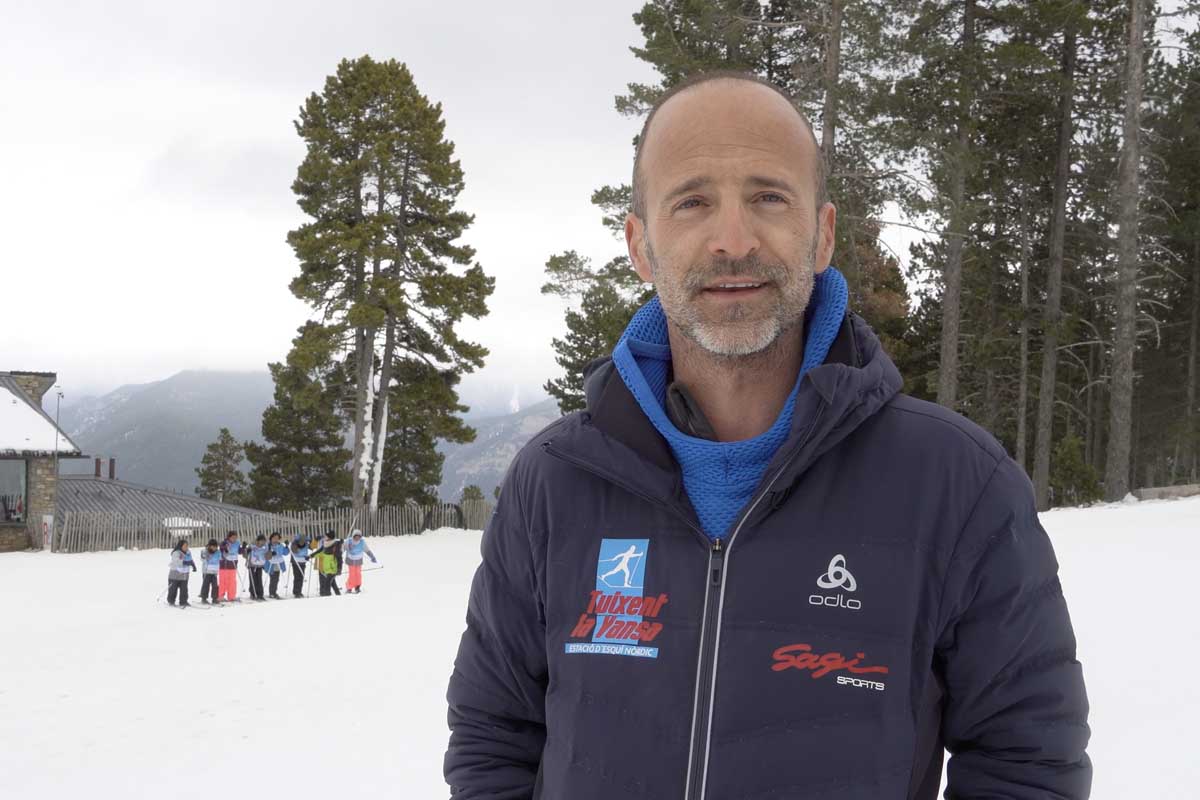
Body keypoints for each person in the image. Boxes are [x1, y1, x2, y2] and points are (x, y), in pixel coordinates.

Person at [444, 72, 1091, 800]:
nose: (732, 240)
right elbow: (493, 736)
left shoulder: (957, 483)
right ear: (640, 245)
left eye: (768, 197)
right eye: (691, 202)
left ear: (821, 235)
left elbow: (1027, 763)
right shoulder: (555, 479)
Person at [309, 530, 342, 597]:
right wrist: (310, 556)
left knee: (327, 584)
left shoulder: (335, 545)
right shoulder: (325, 543)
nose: (325, 537)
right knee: (332, 583)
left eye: (326, 536)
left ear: (330, 537)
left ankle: (327, 597)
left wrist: (339, 568)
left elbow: (339, 558)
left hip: (333, 568)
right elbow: (319, 551)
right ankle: (338, 595)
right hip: (326, 567)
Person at [343, 529, 376, 594]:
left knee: (358, 574)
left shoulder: (362, 542)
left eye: (359, 536)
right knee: (352, 574)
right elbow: (343, 548)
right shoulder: (349, 541)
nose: (357, 538)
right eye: (356, 536)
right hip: (351, 560)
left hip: (358, 560)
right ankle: (349, 588)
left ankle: (357, 587)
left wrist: (372, 557)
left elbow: (367, 550)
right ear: (353, 536)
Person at [166, 539, 195, 607]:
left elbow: (190, 559)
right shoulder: (176, 552)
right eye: (185, 546)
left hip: (184, 575)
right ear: (180, 546)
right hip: (175, 574)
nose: (186, 547)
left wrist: (193, 565)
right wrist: (185, 562)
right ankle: (171, 601)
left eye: (187, 546)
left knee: (184, 589)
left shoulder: (188, 552)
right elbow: (176, 561)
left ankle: (183, 601)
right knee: (173, 589)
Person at [217, 531, 241, 603]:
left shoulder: (237, 543)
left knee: (232, 581)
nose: (234, 539)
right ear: (229, 537)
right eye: (232, 537)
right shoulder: (224, 542)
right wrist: (224, 548)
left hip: (233, 564)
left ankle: (231, 596)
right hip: (224, 565)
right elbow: (221, 549)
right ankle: (220, 596)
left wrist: (244, 548)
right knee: (223, 581)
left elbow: (240, 551)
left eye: (235, 537)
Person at [266, 532, 289, 599]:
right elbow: (265, 554)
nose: (276, 540)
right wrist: (271, 553)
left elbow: (285, 553)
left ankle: (274, 592)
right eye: (274, 538)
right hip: (271, 564)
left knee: (276, 579)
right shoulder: (268, 545)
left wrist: (287, 546)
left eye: (277, 538)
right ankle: (272, 593)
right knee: (273, 578)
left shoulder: (280, 545)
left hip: (278, 563)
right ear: (271, 538)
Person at [246, 534, 268, 601]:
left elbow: (267, 555)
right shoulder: (253, 546)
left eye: (264, 541)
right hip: (252, 566)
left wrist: (271, 553)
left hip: (260, 566)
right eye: (261, 541)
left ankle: (260, 594)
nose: (263, 543)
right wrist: (247, 551)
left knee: (259, 580)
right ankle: (253, 594)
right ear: (258, 541)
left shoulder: (264, 547)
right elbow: (245, 555)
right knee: (253, 580)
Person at [199, 538, 221, 604]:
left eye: (216, 547)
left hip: (214, 571)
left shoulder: (218, 552)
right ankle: (204, 598)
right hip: (207, 571)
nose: (214, 548)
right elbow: (202, 559)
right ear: (209, 546)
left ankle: (215, 598)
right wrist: (206, 557)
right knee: (206, 585)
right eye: (213, 546)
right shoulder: (204, 551)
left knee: (215, 585)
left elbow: (220, 558)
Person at [290, 532, 311, 598]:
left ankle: (299, 591)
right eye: (301, 540)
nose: (302, 542)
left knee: (301, 576)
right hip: (296, 562)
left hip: (302, 562)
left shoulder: (306, 544)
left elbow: (312, 547)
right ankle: (296, 592)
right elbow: (294, 551)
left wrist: (313, 541)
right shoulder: (294, 544)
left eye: (304, 540)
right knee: (297, 577)